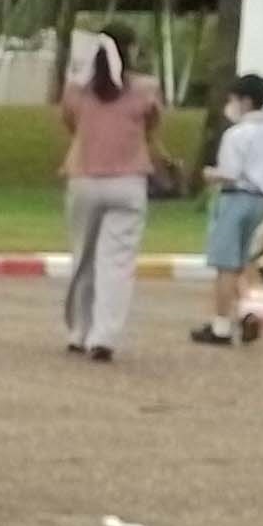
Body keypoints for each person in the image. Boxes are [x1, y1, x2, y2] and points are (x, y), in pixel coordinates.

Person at [55, 22, 165, 362]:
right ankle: (104, 336)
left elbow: (70, 123)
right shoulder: (146, 89)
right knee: (116, 263)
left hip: (84, 178)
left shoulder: (76, 90)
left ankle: (79, 330)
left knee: (83, 257)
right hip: (128, 181)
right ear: (131, 49)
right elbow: (153, 126)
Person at [193, 73, 263, 346]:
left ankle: (221, 325)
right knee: (243, 261)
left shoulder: (236, 134)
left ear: (245, 101)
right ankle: (245, 311)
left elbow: (230, 173)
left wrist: (210, 174)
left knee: (225, 264)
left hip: (236, 197)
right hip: (262, 200)